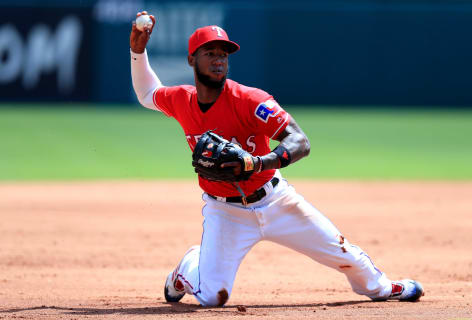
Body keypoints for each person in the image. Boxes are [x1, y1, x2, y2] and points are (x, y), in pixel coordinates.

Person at [129, 11, 424, 307]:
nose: (219, 59)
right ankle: (189, 267)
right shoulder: (182, 100)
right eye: (210, 53)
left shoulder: (251, 100)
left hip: (276, 200)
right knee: (212, 297)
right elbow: (147, 93)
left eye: (224, 54)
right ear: (192, 60)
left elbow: (300, 141)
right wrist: (138, 52)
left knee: (343, 254)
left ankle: (384, 288)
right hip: (225, 213)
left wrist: (257, 163)